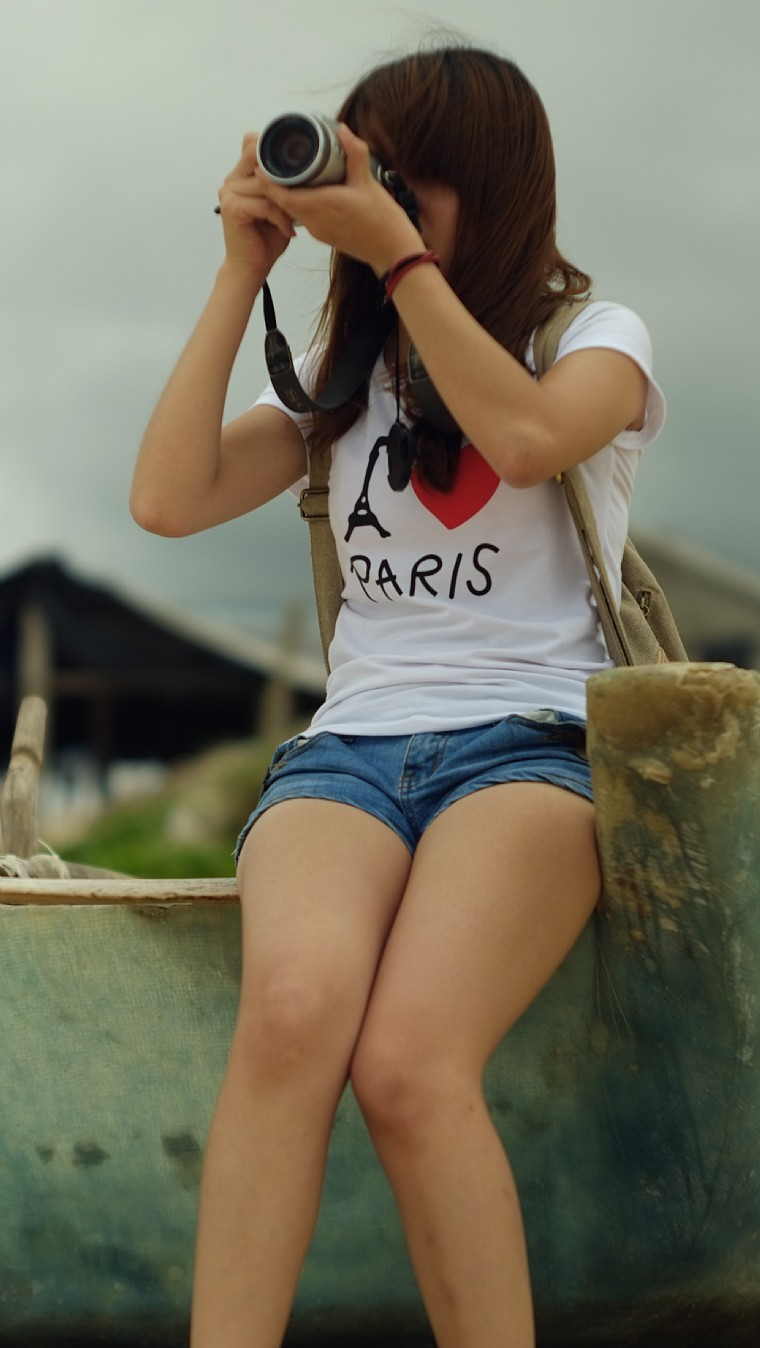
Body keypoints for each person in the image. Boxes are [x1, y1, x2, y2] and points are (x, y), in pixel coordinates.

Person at [131, 44, 665, 1348]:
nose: (379, 197)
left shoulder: (594, 337)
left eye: (410, 176)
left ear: (491, 182)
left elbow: (524, 439)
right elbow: (167, 499)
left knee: (410, 1065)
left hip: (531, 743)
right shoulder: (343, 371)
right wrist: (241, 271)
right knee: (291, 1021)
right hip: (352, 751)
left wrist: (403, 263)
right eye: (369, 167)